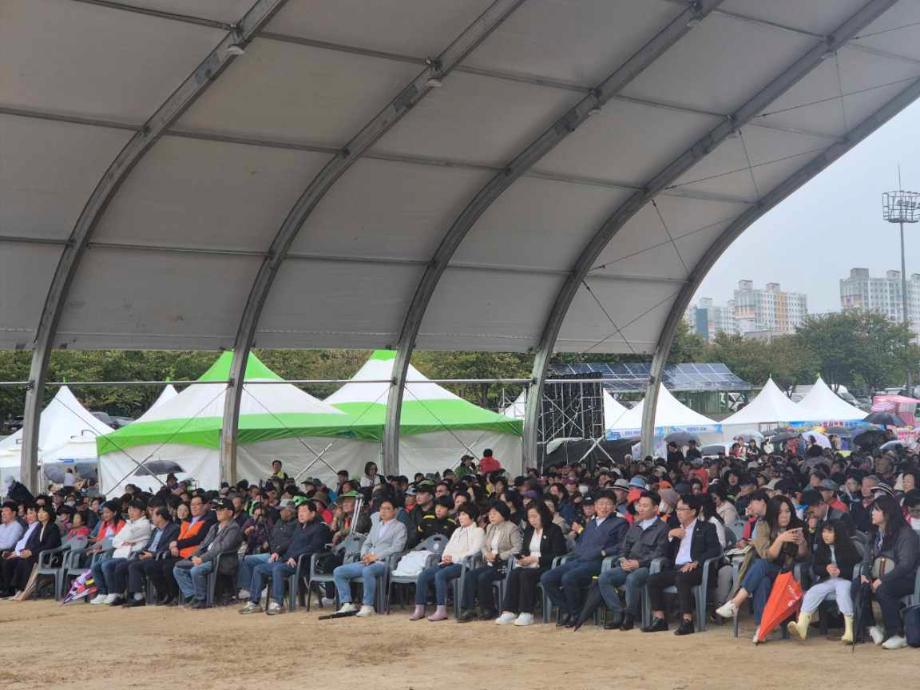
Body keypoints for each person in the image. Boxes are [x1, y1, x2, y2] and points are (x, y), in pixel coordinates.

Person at [715, 495, 809, 641]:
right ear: (773, 513)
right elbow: (768, 556)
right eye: (780, 512)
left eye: (787, 511)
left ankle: (736, 604)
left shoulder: (799, 526)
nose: (784, 515)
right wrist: (779, 539)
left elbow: (802, 556)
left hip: (788, 573)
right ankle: (761, 628)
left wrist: (802, 542)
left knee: (761, 568)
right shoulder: (763, 525)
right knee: (763, 578)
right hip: (769, 568)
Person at [540, 491, 627, 628]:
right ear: (595, 506)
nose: (604, 507)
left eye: (608, 504)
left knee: (569, 578)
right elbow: (581, 542)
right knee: (547, 578)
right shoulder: (592, 523)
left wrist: (604, 552)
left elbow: (622, 545)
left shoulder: (620, 523)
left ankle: (575, 614)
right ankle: (568, 609)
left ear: (614, 506)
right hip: (579, 559)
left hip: (597, 562)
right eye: (601, 504)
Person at [643, 495, 721, 635]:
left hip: (697, 569)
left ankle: (687, 621)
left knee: (682, 578)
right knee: (652, 580)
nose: (678, 512)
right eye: (677, 509)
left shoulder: (707, 527)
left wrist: (697, 562)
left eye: (682, 509)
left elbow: (715, 549)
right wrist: (670, 536)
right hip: (677, 568)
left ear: (693, 511)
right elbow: (665, 553)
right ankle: (660, 619)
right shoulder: (674, 528)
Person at [592, 491, 668, 631]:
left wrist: (639, 563)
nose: (640, 509)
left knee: (632, 579)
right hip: (628, 564)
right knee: (604, 577)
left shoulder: (662, 528)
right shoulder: (635, 525)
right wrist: (623, 560)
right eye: (640, 505)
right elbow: (623, 548)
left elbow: (660, 552)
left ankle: (630, 616)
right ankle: (618, 613)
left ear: (655, 508)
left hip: (647, 567)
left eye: (645, 506)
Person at [240, 500, 330, 615]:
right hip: (287, 561)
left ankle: (278, 603)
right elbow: (290, 541)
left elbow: (314, 547)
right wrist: (277, 552)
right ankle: (254, 602)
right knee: (259, 568)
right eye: (299, 512)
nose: (300, 514)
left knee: (278, 569)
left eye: (304, 511)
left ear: (312, 513)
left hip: (303, 563)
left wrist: (296, 557)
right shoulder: (299, 526)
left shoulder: (320, 528)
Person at [860, 494, 920, 649]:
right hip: (879, 575)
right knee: (857, 586)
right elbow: (867, 560)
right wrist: (865, 575)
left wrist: (883, 580)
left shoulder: (906, 534)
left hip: (906, 578)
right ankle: (872, 628)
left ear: (887, 513)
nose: (872, 513)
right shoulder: (874, 534)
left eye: (876, 510)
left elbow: (906, 564)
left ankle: (897, 634)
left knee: (884, 589)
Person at [787, 520, 860, 643]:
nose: (825, 535)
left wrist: (840, 571)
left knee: (843, 592)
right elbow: (816, 568)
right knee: (812, 592)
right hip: (827, 580)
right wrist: (826, 569)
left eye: (829, 532)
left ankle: (849, 630)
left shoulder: (848, 547)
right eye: (824, 531)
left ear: (838, 533)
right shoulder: (821, 548)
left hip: (844, 580)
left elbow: (855, 567)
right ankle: (802, 626)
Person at [495, 501, 566, 626]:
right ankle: (509, 611)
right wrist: (522, 557)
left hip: (547, 566)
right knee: (514, 573)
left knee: (526, 575)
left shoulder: (554, 530)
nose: (532, 520)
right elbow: (525, 550)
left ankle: (526, 612)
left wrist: (536, 559)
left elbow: (558, 553)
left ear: (543, 515)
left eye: (535, 516)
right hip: (529, 564)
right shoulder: (529, 530)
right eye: (529, 517)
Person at [333, 498, 407, 617]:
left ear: (395, 511)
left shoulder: (400, 527)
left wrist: (376, 556)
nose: (384, 511)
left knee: (368, 571)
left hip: (384, 562)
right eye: (382, 508)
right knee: (339, 571)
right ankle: (347, 603)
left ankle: (368, 605)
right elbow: (367, 543)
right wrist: (364, 555)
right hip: (368, 560)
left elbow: (397, 548)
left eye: (388, 509)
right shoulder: (376, 525)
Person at [411, 503, 484, 621]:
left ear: (472, 516)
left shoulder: (478, 531)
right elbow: (448, 547)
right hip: (449, 562)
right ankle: (419, 608)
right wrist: (446, 556)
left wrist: (453, 558)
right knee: (423, 575)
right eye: (459, 515)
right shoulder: (457, 531)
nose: (460, 517)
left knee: (440, 575)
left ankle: (441, 610)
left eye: (464, 515)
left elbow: (474, 551)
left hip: (464, 564)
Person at [457, 501, 522, 622]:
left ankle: (488, 608)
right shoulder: (490, 527)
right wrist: (487, 554)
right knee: (470, 575)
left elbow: (517, 548)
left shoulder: (512, 528)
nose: (491, 516)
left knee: (484, 577)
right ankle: (468, 609)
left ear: (503, 514)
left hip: (505, 564)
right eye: (490, 514)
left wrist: (499, 556)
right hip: (491, 563)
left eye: (494, 514)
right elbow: (484, 545)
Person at [172, 498, 242, 609]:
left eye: (221, 510)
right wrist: (193, 556)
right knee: (178, 568)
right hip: (206, 557)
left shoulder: (233, 528)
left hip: (220, 560)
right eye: (217, 510)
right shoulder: (214, 527)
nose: (218, 512)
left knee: (196, 570)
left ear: (230, 512)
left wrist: (202, 559)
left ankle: (201, 599)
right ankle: (192, 596)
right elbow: (203, 545)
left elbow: (220, 548)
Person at [89, 498, 152, 605]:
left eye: (134, 510)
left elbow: (129, 536)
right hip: (120, 553)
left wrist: (124, 540)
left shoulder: (145, 524)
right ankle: (103, 592)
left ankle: (113, 592)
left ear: (142, 512)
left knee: (106, 565)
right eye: (130, 509)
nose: (131, 512)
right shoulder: (128, 524)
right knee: (95, 566)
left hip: (130, 555)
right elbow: (115, 540)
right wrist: (123, 542)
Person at [122, 506, 180, 607]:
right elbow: (149, 545)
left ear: (160, 517)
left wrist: (152, 555)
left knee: (148, 566)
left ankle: (163, 594)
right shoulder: (155, 530)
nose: (151, 518)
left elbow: (167, 546)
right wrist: (141, 553)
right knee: (129, 564)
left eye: (153, 515)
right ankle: (137, 596)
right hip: (149, 555)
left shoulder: (174, 528)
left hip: (160, 557)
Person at [237, 502, 296, 599]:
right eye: (255, 515)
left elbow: (290, 541)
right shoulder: (279, 522)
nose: (280, 512)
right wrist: (246, 533)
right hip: (271, 553)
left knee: (261, 561)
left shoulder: (294, 524)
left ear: (289, 512)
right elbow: (272, 538)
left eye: (282, 510)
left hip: (283, 556)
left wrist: (277, 550)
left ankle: (263, 587)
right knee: (247, 559)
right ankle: (248, 589)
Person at [0, 504, 61, 598]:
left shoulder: (53, 527)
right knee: (22, 560)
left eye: (43, 512)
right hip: (38, 554)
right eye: (39, 512)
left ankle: (24, 590)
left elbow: (49, 546)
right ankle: (19, 590)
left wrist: (31, 552)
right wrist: (26, 551)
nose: (40, 514)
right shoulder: (39, 527)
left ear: (49, 514)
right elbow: (33, 544)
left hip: (50, 557)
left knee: (26, 561)